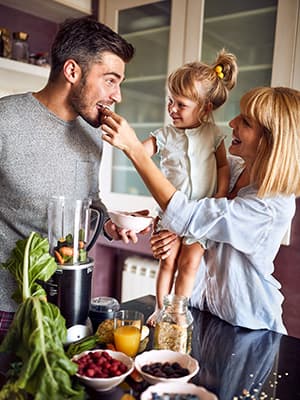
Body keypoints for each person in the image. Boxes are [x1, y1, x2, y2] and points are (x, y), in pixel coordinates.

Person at [101, 86, 300, 334]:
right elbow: (190, 206)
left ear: (270, 141)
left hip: (248, 328)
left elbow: (190, 215)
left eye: (246, 122)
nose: (233, 122)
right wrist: (166, 229)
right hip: (201, 313)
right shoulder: (233, 169)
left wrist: (135, 150)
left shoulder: (271, 204)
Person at [0, 16, 144, 339]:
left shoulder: (93, 136)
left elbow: (91, 201)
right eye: (110, 80)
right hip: (5, 309)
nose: (117, 95)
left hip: (64, 306)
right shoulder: (5, 120)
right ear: (72, 71)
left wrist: (108, 223)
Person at [142, 50, 238, 325]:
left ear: (205, 108)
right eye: (170, 101)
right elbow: (139, 152)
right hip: (173, 215)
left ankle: (178, 313)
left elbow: (223, 166)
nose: (171, 109)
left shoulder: (215, 135)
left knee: (188, 265)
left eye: (180, 104)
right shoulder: (166, 134)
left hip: (202, 217)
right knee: (168, 261)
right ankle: (161, 309)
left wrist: (220, 195)